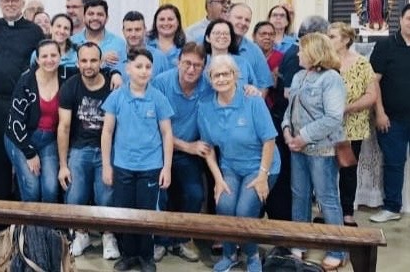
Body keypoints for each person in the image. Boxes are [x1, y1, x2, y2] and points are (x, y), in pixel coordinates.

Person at [198, 54, 279, 272]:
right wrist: (217, 179)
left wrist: (263, 176)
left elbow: (269, 140)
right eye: (217, 75)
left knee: (244, 210)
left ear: (235, 75)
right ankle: (229, 253)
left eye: (226, 73)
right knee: (224, 204)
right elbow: (208, 150)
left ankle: (252, 255)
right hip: (230, 167)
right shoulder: (205, 107)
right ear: (210, 78)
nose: (222, 78)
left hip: (261, 165)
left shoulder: (252, 100)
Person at [101, 48, 173, 272]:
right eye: (139, 66)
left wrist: (167, 168)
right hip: (122, 165)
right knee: (124, 212)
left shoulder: (158, 98)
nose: (144, 71)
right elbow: (107, 132)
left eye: (148, 67)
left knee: (146, 213)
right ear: (128, 68)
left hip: (150, 167)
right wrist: (106, 165)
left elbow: (167, 133)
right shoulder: (117, 96)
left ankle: (145, 256)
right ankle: (128, 254)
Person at [282, 33, 346, 270]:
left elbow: (333, 117)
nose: (297, 54)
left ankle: (338, 249)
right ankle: (299, 242)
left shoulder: (331, 79)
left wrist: (303, 137)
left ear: (314, 52)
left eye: (301, 50)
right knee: (299, 195)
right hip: (296, 147)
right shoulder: (299, 75)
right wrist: (288, 132)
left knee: (327, 198)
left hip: (321, 149)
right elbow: (290, 109)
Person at [58, 42, 120, 260]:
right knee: (74, 195)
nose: (88, 65)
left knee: (107, 196)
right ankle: (81, 234)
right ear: (77, 63)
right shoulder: (69, 87)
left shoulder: (113, 86)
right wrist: (63, 165)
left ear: (101, 62)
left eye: (93, 60)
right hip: (79, 148)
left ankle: (108, 235)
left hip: (107, 149)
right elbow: (64, 127)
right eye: (84, 60)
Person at [0, 0, 43, 215]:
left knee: (20, 156)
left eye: (15, 0)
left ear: (22, 3)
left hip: (21, 104)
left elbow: (49, 52)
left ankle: (22, 214)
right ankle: (0, 215)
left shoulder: (34, 30)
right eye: (6, 1)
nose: (10, 4)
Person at [151, 42, 210, 263]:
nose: (191, 69)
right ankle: (159, 240)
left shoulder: (208, 85)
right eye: (187, 63)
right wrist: (187, 146)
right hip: (160, 150)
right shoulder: (161, 83)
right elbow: (155, 125)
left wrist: (249, 89)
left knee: (194, 194)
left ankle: (183, 240)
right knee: (160, 193)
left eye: (197, 65)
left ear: (204, 67)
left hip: (189, 155)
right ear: (178, 61)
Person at [327, 22, 376, 227]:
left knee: (347, 170)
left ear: (346, 40)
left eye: (332, 37)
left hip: (352, 126)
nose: (328, 40)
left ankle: (347, 213)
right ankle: (328, 211)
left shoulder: (362, 63)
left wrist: (347, 108)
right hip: (326, 129)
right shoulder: (325, 62)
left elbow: (371, 95)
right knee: (326, 171)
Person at [369, 3, 410, 223]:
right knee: (394, 164)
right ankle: (392, 207)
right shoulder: (385, 45)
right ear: (401, 20)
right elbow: (373, 82)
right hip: (392, 119)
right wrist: (380, 112)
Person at [5, 40, 62, 203]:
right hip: (22, 138)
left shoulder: (66, 75)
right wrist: (29, 153)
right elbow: (15, 122)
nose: (49, 60)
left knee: (51, 190)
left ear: (60, 56)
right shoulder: (26, 81)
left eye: (53, 55)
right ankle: (29, 229)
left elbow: (91, 72)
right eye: (44, 56)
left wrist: (114, 74)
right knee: (32, 189)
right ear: (37, 59)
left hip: (49, 140)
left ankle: (46, 229)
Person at [252, 21, 291, 221]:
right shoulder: (249, 54)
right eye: (262, 33)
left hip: (273, 115)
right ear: (255, 36)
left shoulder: (281, 57)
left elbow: (279, 85)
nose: (267, 37)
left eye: (270, 34)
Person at [228, 3, 274, 91]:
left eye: (247, 20)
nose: (243, 23)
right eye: (239, 18)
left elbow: (263, 86)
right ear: (227, 17)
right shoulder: (214, 45)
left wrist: (254, 104)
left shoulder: (255, 51)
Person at [114, 11, 171, 82]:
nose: (133, 34)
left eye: (137, 30)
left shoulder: (160, 58)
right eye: (129, 30)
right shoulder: (114, 60)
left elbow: (166, 86)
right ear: (123, 31)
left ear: (145, 30)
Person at [71, 0, 126, 67]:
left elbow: (123, 74)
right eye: (91, 14)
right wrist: (100, 58)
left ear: (107, 18)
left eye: (100, 14)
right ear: (83, 17)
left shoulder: (119, 43)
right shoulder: (71, 42)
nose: (95, 18)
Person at [203, 19, 257, 88]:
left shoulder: (243, 63)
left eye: (226, 33)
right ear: (208, 38)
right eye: (217, 33)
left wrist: (252, 89)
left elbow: (254, 88)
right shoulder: (202, 62)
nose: (222, 36)